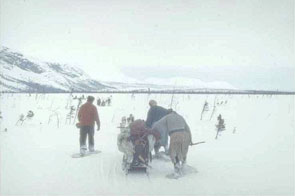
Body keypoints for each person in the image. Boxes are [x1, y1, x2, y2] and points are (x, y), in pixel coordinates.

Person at [152, 110, 192, 176]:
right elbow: (188, 128)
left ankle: (177, 170)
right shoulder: (180, 117)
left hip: (175, 135)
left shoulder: (167, 117)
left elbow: (157, 125)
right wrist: (190, 140)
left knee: (173, 152)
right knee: (183, 151)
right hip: (185, 135)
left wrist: (152, 129)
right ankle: (184, 166)